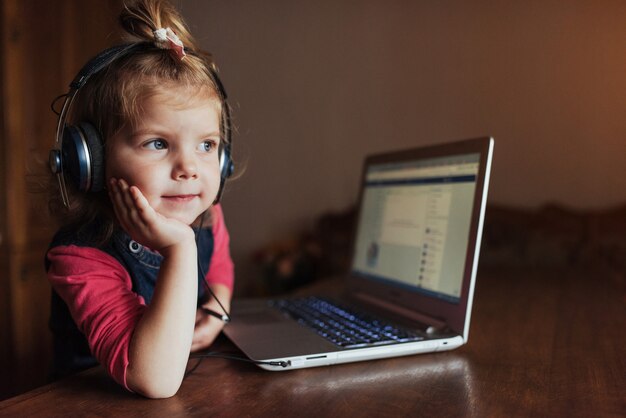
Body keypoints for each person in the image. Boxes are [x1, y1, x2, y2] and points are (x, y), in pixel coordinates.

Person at [45, 0, 234, 398]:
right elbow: (154, 379)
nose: (189, 168)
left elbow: (220, 271)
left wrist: (217, 311)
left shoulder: (206, 218)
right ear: (92, 160)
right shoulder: (81, 256)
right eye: (157, 143)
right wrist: (179, 248)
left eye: (206, 145)